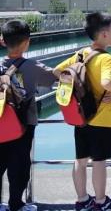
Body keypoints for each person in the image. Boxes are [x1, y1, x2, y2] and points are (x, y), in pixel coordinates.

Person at [54, 12, 111, 211]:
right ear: (104, 34)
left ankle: (82, 200)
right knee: (99, 161)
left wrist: (78, 91)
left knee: (81, 159)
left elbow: (57, 71)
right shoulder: (106, 58)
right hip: (101, 118)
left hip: (81, 116)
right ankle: (101, 202)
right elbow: (106, 82)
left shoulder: (81, 54)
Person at [0, 20, 56, 211]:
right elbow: (53, 77)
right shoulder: (32, 66)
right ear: (27, 43)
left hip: (0, 122)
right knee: (20, 166)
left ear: (2, 40)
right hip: (23, 125)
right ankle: (16, 204)